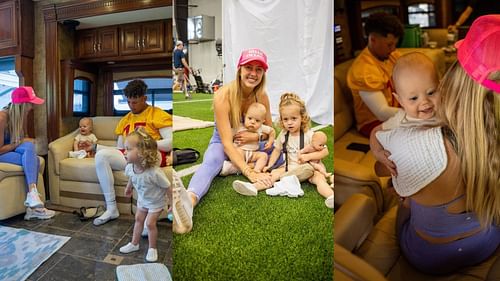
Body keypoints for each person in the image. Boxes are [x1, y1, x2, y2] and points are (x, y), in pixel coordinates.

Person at [373, 15, 500, 274]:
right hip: (487, 242)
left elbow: (381, 169)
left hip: (432, 257)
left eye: (431, 92)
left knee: (403, 202)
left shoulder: (418, 147)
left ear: (453, 77)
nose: (425, 102)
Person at [172, 48, 279, 234]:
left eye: (259, 69)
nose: (253, 73)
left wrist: (255, 136)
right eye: (249, 67)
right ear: (239, 69)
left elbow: (270, 131)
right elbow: (227, 143)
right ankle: (188, 203)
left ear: (263, 73)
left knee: (280, 150)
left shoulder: (262, 96)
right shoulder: (223, 95)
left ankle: (230, 168)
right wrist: (250, 173)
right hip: (225, 141)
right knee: (212, 160)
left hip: (251, 144)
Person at [91, 79, 172, 226]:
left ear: (144, 99)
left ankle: (149, 217)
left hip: (151, 156)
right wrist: (99, 148)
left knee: (147, 166)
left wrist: (144, 146)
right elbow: (121, 149)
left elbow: (170, 143)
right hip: (131, 158)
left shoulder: (157, 114)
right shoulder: (124, 120)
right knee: (101, 156)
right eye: (128, 102)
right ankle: (111, 208)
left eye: (135, 102)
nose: (131, 106)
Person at [232, 93, 334, 209]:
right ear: (281, 120)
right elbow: (276, 151)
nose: (289, 122)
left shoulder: (309, 135)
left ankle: (330, 196)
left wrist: (308, 157)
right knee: (273, 174)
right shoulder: (284, 134)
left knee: (319, 179)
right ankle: (253, 187)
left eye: (294, 119)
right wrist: (269, 165)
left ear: (302, 118)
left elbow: (324, 151)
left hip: (309, 168)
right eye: (286, 119)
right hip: (289, 168)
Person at [370, 52, 440, 177]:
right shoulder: (400, 119)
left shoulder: (445, 112)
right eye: (414, 98)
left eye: (431, 92)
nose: (425, 102)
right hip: (411, 174)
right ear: (400, 100)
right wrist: (378, 152)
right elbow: (375, 132)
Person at [0, 86, 55, 220]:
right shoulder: (1, 118)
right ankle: (33, 206)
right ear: (23, 104)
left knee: (31, 154)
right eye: (31, 103)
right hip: (1, 153)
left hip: (10, 150)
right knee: (33, 159)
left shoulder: (20, 117)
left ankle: (32, 196)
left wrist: (23, 141)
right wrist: (20, 142)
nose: (32, 107)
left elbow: (22, 140)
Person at [347, 12, 404, 137]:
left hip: (397, 112)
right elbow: (382, 112)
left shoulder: (391, 55)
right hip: (374, 122)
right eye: (389, 44)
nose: (394, 49)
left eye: (395, 44)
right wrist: (417, 114)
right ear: (372, 39)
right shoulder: (363, 71)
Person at [119, 128, 170, 262]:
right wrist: (129, 187)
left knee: (150, 223)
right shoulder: (130, 167)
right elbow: (131, 177)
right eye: (125, 149)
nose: (124, 152)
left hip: (156, 202)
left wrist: (171, 203)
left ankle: (152, 248)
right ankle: (134, 244)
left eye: (128, 149)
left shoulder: (154, 172)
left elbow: (167, 187)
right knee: (138, 219)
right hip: (143, 200)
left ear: (142, 152)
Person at [220, 102, 275, 175]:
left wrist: (270, 142)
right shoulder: (239, 127)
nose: (252, 122)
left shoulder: (261, 128)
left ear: (262, 121)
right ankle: (242, 167)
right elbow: (228, 135)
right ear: (245, 116)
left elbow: (272, 131)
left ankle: (256, 170)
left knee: (263, 156)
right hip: (240, 151)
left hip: (252, 153)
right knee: (237, 151)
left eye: (257, 120)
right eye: (250, 118)